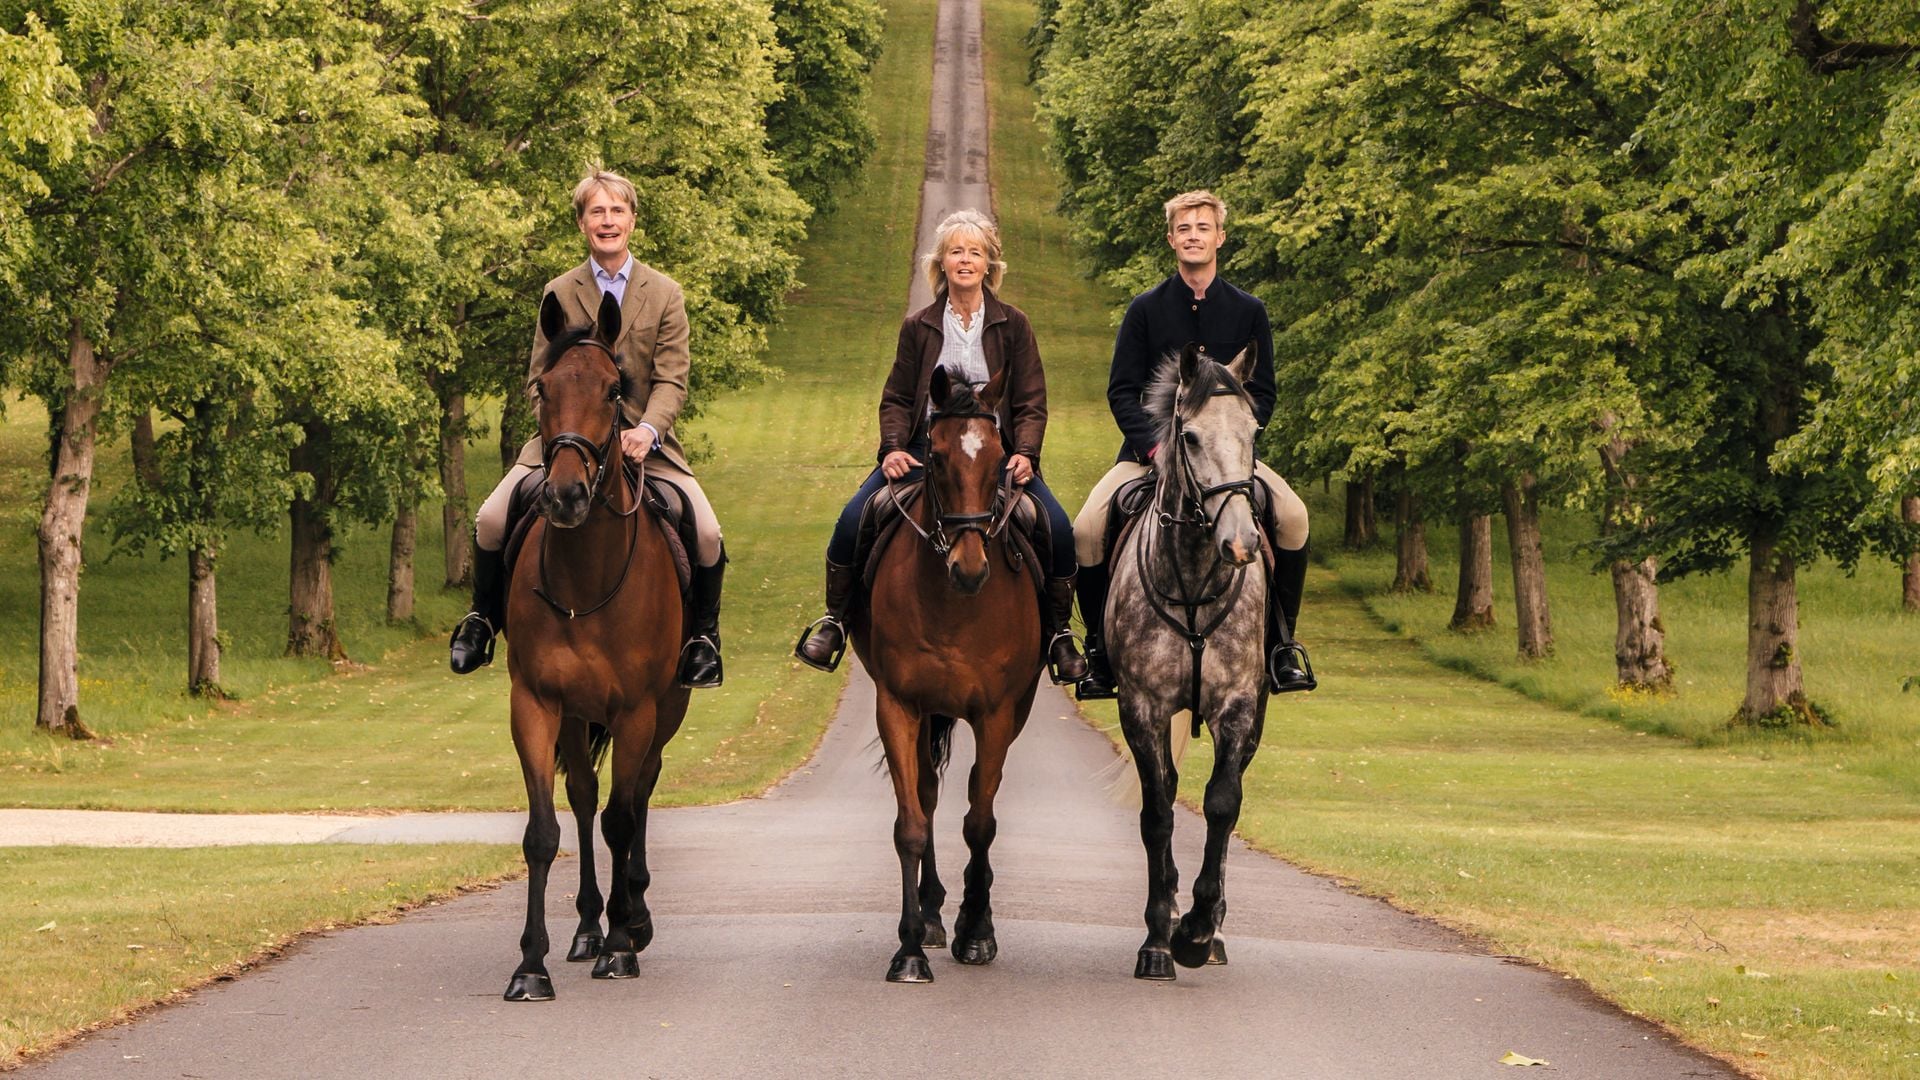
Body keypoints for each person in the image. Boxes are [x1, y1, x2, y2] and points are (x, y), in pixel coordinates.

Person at [450, 169, 729, 688]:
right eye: (597, 212)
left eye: (616, 211)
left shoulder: (665, 293)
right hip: (566, 447)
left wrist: (646, 430)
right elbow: (539, 380)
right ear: (582, 223)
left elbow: (672, 379)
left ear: (632, 221)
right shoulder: (558, 292)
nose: (608, 221)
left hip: (646, 448)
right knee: (490, 519)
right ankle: (482, 620)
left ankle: (703, 640)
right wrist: (561, 437)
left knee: (708, 533)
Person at [794, 209, 1087, 682]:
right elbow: (896, 397)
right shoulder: (920, 325)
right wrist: (891, 448)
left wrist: (1026, 453)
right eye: (956, 251)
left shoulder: (1014, 325)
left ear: (990, 263)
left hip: (995, 454)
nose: (965, 260)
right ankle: (836, 622)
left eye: (975, 252)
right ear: (942, 262)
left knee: (1057, 528)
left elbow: (1032, 400)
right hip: (925, 449)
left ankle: (1058, 634)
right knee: (853, 519)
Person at [1072, 190, 1314, 698]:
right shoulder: (1145, 310)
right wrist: (1155, 449)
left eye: (1203, 227)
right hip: (1150, 458)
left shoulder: (1250, 311)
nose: (1194, 236)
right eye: (1184, 229)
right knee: (1086, 529)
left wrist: (1236, 444)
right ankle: (1099, 651)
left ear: (1220, 237)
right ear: (1171, 239)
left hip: (1227, 462)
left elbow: (1263, 391)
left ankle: (1280, 646)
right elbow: (1121, 389)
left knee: (1293, 519)